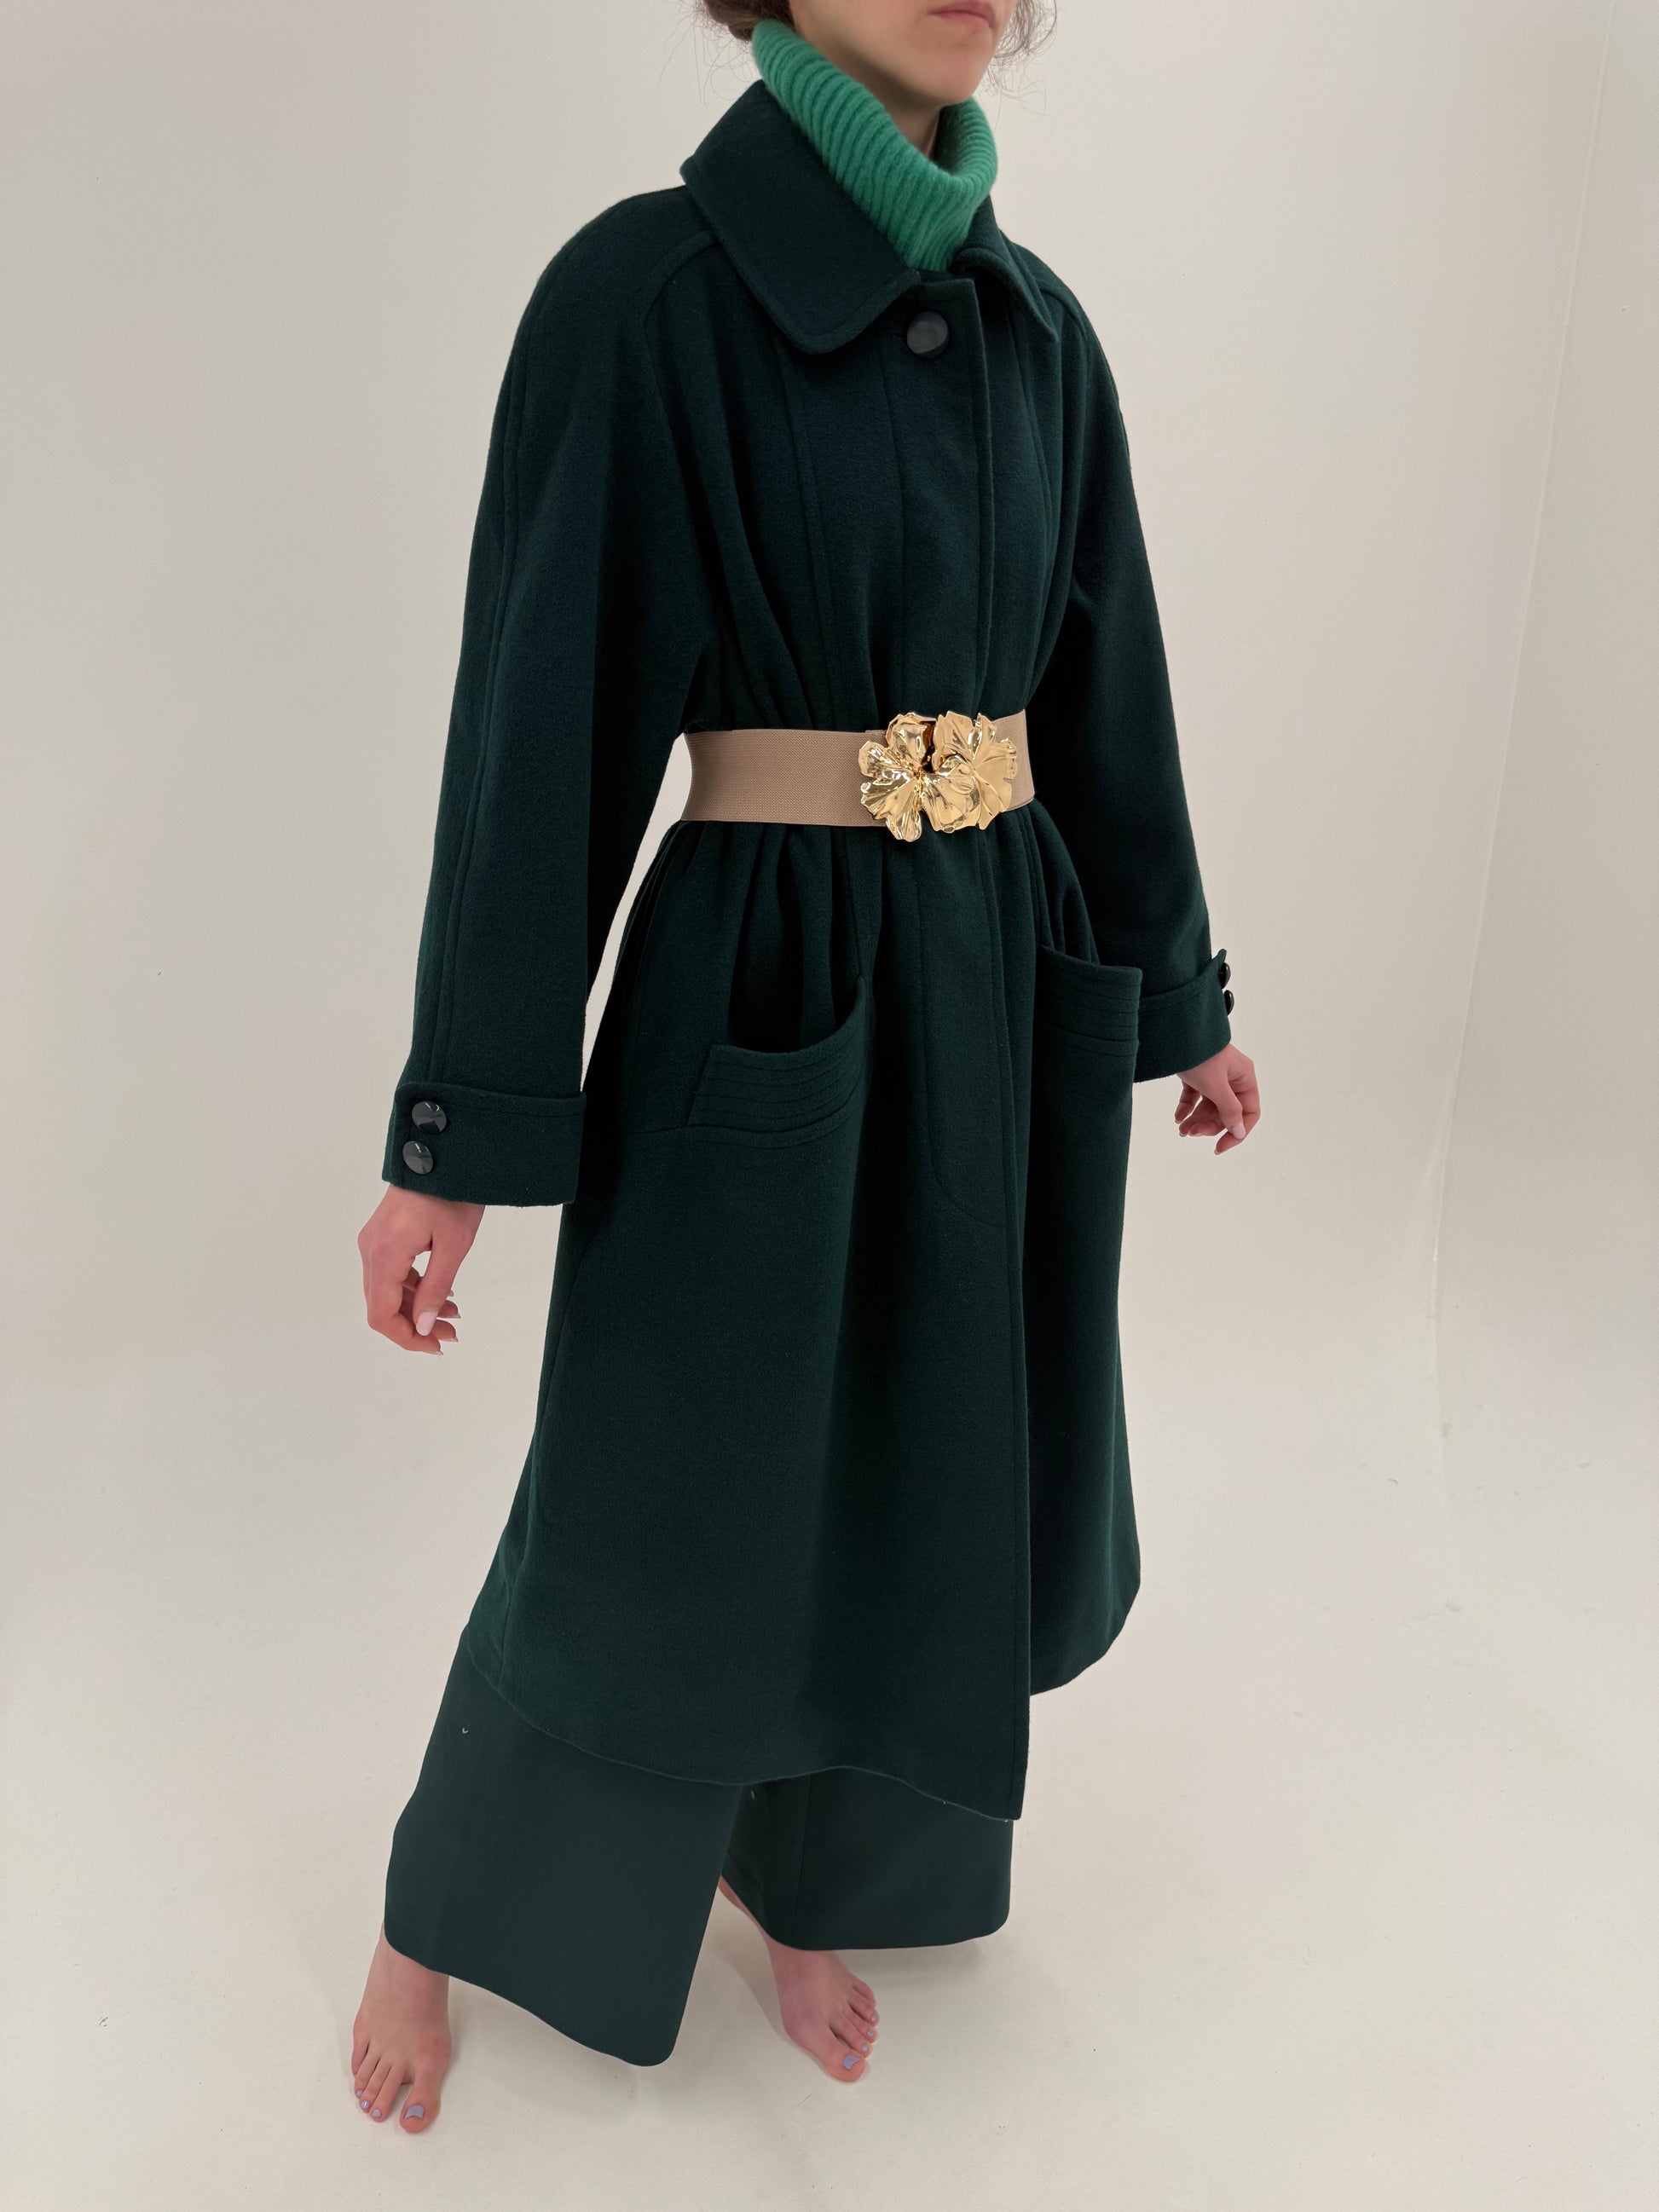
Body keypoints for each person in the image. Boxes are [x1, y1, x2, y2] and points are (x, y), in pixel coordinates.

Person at [349, 0, 1259, 2134]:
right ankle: (443, 1908)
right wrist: (456, 1136)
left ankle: (802, 1867)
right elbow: (537, 737)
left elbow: (1107, 687)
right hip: (756, 985)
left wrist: (1179, 992)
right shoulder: (645, 296)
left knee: (922, 1453)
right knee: (654, 1496)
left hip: (997, 982)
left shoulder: (1042, 334)